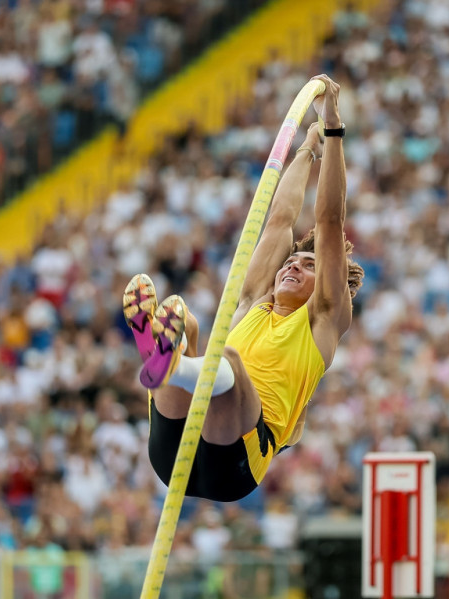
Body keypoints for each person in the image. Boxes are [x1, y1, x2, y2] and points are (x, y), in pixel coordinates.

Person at [122, 74, 364, 502]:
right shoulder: (255, 299)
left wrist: (331, 129)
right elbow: (279, 220)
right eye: (291, 260)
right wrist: (306, 149)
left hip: (234, 463)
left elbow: (330, 221)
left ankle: (174, 367)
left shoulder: (324, 319)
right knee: (185, 318)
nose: (292, 266)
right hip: (173, 452)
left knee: (224, 354)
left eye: (308, 266)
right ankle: (170, 358)